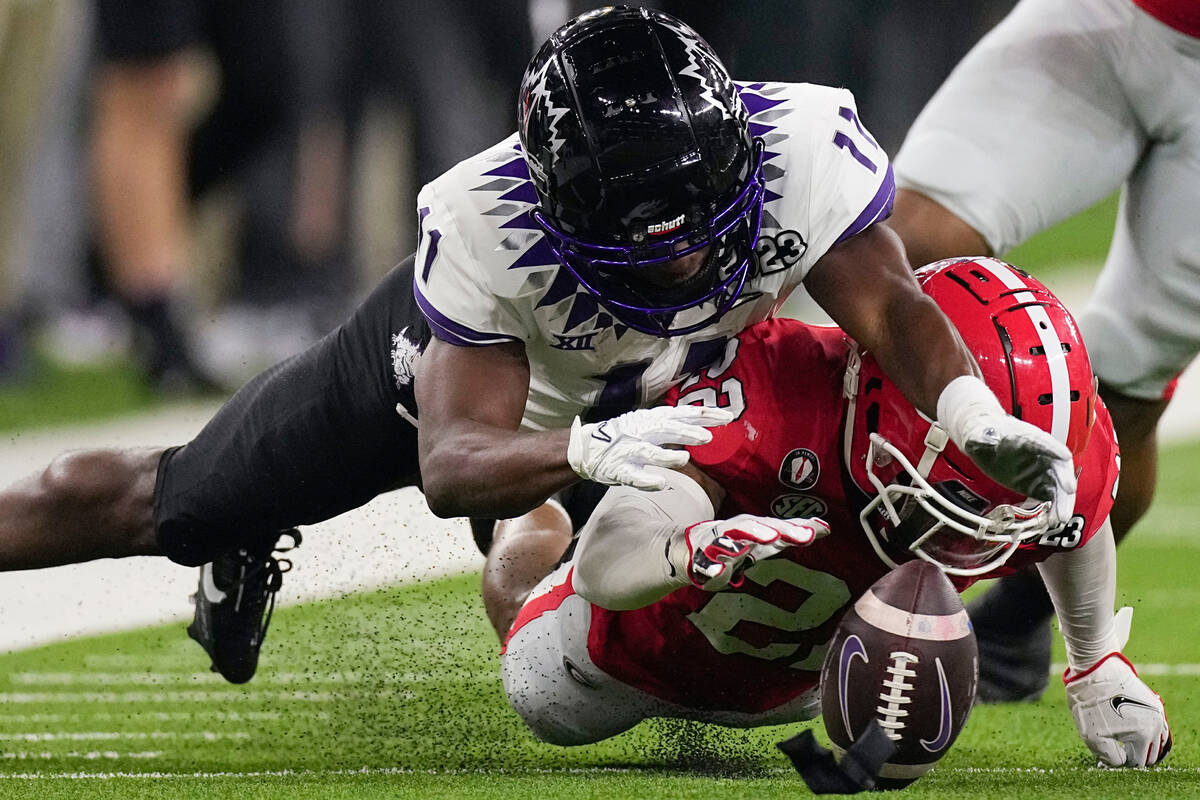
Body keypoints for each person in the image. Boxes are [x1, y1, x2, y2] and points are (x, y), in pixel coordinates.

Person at [0, 7, 1073, 686]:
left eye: (704, 229)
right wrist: (584, 451)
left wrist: (971, 410)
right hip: (477, 393)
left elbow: (890, 310)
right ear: (555, 205)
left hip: (680, 386)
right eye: (648, 248)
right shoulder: (483, 225)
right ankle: (238, 524)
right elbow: (456, 462)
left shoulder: (800, 145)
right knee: (173, 501)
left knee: (634, 597)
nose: (686, 265)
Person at [488, 258, 1171, 771]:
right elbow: (607, 567)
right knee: (532, 647)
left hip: (806, 689)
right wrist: (685, 551)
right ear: (883, 401)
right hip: (615, 662)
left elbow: (1075, 523)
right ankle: (530, 503)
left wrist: (1094, 664)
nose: (972, 535)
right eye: (961, 501)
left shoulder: (1053, 464)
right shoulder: (765, 389)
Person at [886, 0, 1200, 703]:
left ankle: (1011, 627)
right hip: (1110, 20)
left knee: (1119, 390)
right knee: (908, 247)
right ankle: (799, 506)